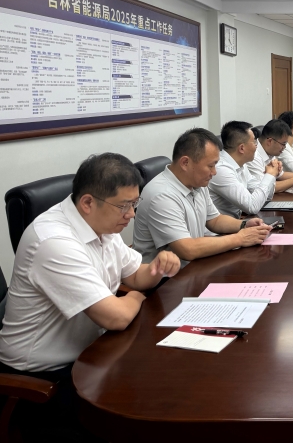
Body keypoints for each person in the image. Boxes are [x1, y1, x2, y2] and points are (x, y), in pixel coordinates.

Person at [0, 153, 181, 440]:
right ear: (87, 202)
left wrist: (157, 268)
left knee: (165, 386)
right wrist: (136, 298)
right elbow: (116, 317)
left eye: (134, 204)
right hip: (40, 382)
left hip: (91, 354)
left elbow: (136, 276)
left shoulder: (102, 224)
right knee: (139, 419)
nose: (131, 215)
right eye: (124, 206)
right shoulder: (54, 242)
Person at [133, 128, 272, 264]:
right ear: (185, 163)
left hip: (194, 266)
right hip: (166, 276)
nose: (214, 172)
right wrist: (240, 238)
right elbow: (187, 249)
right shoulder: (161, 195)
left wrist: (244, 224)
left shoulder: (197, 183)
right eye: (211, 166)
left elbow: (215, 220)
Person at [208, 120, 282, 218]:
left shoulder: (241, 165)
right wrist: (270, 175)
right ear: (242, 148)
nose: (256, 146)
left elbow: (266, 197)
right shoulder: (221, 169)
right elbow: (252, 207)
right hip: (221, 226)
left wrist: (271, 175)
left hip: (237, 222)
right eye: (254, 142)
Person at [247, 119, 293, 191]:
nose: (284, 147)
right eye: (283, 144)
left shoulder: (270, 152)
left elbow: (280, 175)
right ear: (270, 141)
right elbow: (264, 187)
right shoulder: (253, 156)